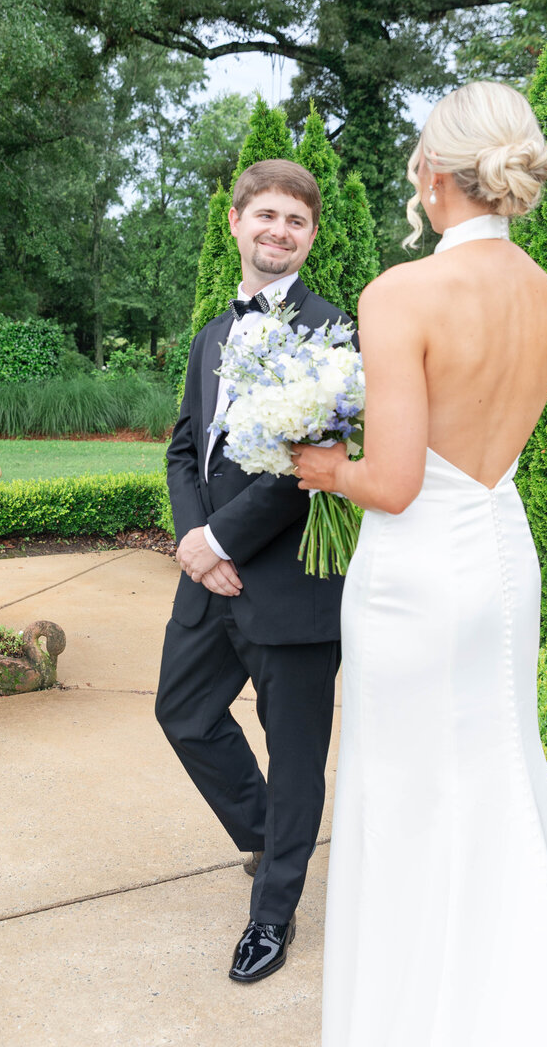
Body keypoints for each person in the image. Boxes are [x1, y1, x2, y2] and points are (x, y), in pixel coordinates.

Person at [293, 82, 547, 1045]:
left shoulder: (402, 292)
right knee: (499, 773)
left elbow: (393, 484)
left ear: (433, 174)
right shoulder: (542, 291)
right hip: (502, 554)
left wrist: (322, 468)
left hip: (417, 578)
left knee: (407, 793)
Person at [155, 159, 350, 984]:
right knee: (183, 713)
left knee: (295, 753)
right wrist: (195, 541)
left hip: (290, 585)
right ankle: (272, 839)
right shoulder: (211, 333)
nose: (280, 231)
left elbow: (314, 465)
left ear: (311, 236)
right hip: (207, 579)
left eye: (296, 221)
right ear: (235, 220)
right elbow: (183, 447)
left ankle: (273, 914)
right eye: (266, 215)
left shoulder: (333, 333)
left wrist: (224, 540)